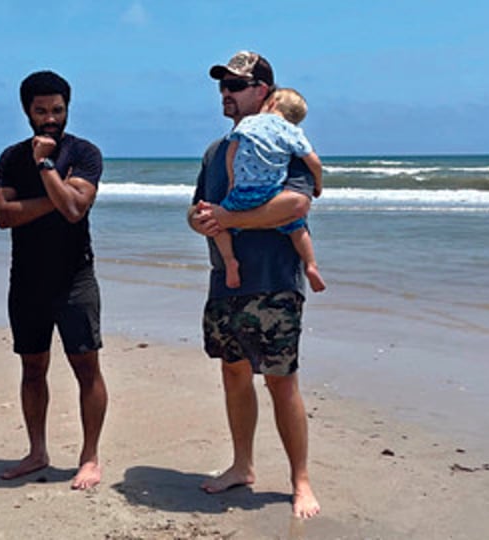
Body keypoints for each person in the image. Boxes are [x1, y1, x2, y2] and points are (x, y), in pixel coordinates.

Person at [188, 51, 321, 519]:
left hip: (275, 280)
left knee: (282, 381)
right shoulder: (215, 150)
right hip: (226, 282)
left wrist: (228, 216)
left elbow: (295, 206)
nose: (226, 93)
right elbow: (198, 208)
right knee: (234, 373)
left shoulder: (282, 141)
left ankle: (300, 481)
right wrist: (201, 219)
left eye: (236, 86)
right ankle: (242, 466)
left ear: (262, 90)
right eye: (222, 86)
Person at [0, 70, 107, 490]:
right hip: (26, 279)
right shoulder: (10, 157)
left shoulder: (85, 152)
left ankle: (89, 457)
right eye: (41, 111)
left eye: (57, 110)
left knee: (86, 368)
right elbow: (4, 216)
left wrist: (45, 166)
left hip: (75, 277)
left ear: (67, 109)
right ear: (27, 112)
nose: (50, 119)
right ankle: (37, 451)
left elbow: (76, 210)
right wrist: (57, 195)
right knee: (32, 367)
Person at [215, 87, 326, 292]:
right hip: (272, 194)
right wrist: (318, 184)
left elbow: (232, 152)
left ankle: (230, 262)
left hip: (243, 192)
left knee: (218, 225)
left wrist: (232, 181)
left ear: (271, 103)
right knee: (297, 228)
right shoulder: (291, 131)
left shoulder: (248, 122)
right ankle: (311, 265)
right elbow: (314, 162)